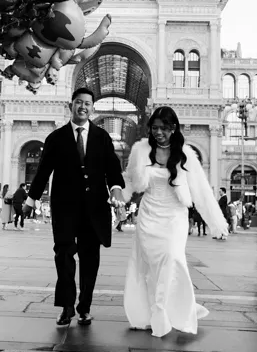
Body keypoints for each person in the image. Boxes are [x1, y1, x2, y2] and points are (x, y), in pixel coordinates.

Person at [121, 107, 228, 338]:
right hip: (148, 214)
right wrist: (116, 194)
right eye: (155, 128)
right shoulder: (141, 150)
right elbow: (129, 181)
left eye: (163, 128)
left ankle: (166, 312)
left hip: (174, 216)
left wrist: (217, 223)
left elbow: (201, 191)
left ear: (173, 128)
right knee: (148, 267)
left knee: (172, 258)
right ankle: (150, 312)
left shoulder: (186, 155)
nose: (158, 132)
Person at [28, 87, 125, 327]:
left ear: (92, 108)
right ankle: (67, 305)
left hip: (94, 208)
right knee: (63, 254)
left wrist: (116, 188)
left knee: (90, 259)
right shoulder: (56, 137)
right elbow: (43, 171)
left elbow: (112, 168)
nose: (83, 107)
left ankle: (85, 307)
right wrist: (31, 198)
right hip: (65, 207)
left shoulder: (102, 137)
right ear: (71, 105)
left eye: (88, 104)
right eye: (79, 102)